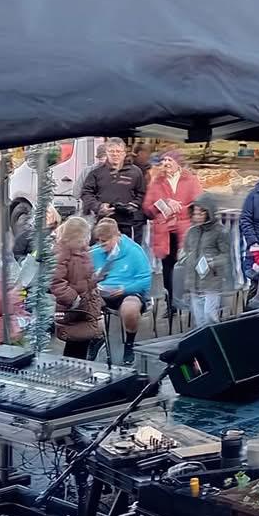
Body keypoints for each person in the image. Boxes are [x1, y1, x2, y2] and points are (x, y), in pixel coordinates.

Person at [143, 151, 201, 314]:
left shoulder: (191, 180)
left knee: (185, 267)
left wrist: (179, 208)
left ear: (178, 163)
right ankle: (171, 305)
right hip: (164, 232)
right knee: (167, 269)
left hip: (185, 232)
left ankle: (187, 300)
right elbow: (148, 208)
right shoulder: (156, 182)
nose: (166, 163)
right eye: (164, 160)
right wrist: (164, 204)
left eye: (170, 160)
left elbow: (199, 203)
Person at [90, 217, 152, 365]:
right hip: (103, 290)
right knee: (87, 303)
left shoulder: (134, 251)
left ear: (116, 236)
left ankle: (129, 344)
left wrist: (125, 289)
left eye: (105, 241)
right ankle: (96, 340)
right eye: (99, 241)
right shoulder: (94, 252)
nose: (102, 245)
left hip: (129, 291)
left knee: (130, 309)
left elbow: (145, 280)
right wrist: (93, 279)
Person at [50, 217, 104, 359]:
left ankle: (81, 369)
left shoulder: (84, 253)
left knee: (83, 341)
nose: (87, 240)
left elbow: (84, 276)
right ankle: (71, 374)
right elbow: (56, 281)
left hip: (86, 306)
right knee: (75, 343)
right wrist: (73, 298)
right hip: (73, 308)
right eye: (85, 237)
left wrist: (96, 280)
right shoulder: (62, 254)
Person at [178, 193, 234, 326]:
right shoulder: (191, 232)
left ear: (209, 213)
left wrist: (213, 261)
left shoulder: (220, 232)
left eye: (201, 213)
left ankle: (215, 342)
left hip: (212, 283)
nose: (197, 217)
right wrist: (183, 257)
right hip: (194, 282)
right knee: (199, 320)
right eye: (195, 213)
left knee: (210, 316)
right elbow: (185, 251)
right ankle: (204, 344)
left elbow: (226, 256)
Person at [80, 138, 147, 240]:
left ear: (124, 153)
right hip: (103, 221)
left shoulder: (136, 172)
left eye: (118, 151)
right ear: (106, 153)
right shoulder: (96, 173)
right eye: (111, 151)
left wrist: (134, 205)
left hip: (127, 223)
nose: (115, 154)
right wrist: (99, 207)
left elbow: (141, 193)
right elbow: (86, 193)